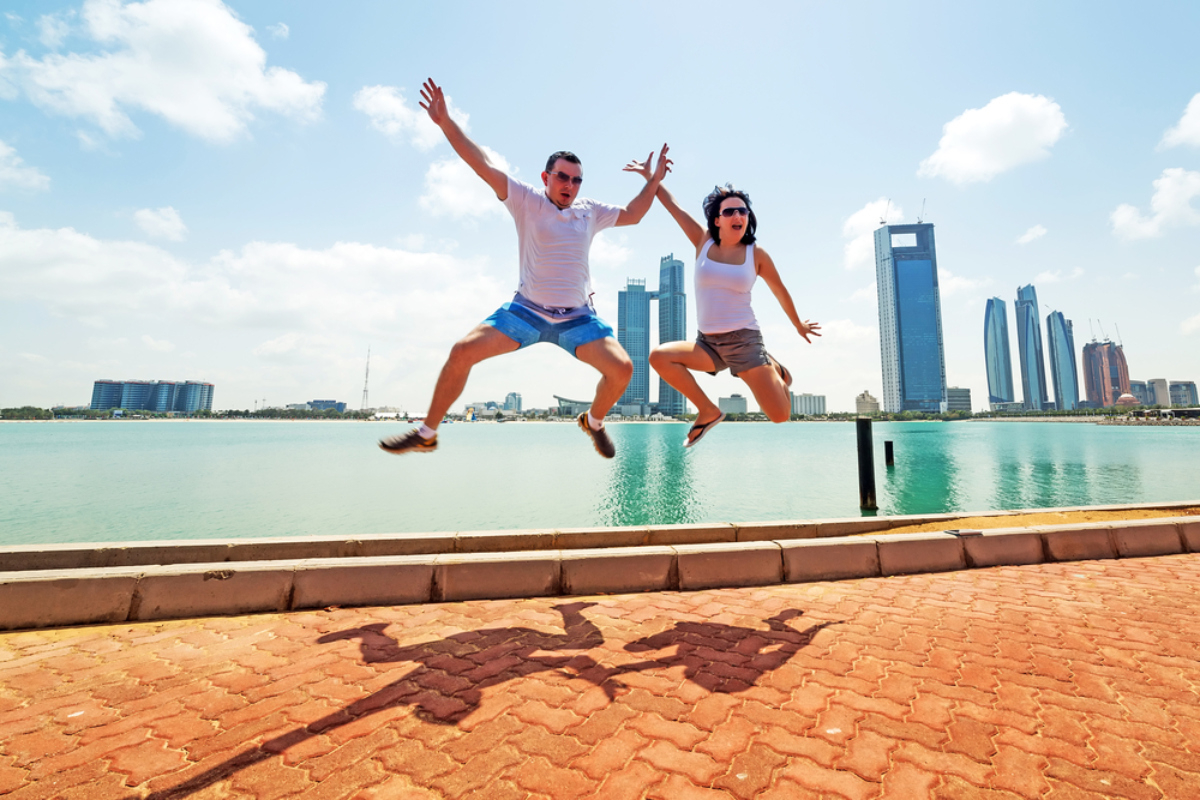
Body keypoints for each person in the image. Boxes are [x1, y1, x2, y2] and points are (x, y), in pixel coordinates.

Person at [379, 78, 670, 458]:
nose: (569, 185)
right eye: (562, 177)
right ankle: (427, 433)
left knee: (623, 369)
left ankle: (594, 422)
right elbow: (481, 164)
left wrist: (654, 180)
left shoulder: (590, 212)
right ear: (546, 178)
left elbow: (633, 214)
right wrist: (446, 123)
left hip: (577, 317)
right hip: (526, 312)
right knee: (461, 351)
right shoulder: (526, 200)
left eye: (576, 180)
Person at [628, 161, 820, 447]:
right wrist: (651, 177)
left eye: (742, 210)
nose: (737, 215)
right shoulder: (703, 242)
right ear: (717, 220)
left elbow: (780, 290)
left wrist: (798, 324)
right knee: (659, 357)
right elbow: (673, 206)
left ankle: (773, 367)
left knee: (780, 416)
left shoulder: (756, 254)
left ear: (748, 218)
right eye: (729, 211)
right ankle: (708, 411)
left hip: (744, 343)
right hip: (707, 344)